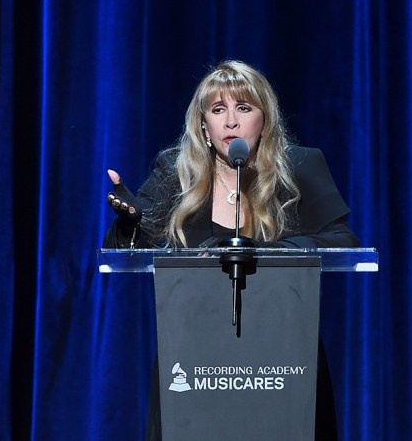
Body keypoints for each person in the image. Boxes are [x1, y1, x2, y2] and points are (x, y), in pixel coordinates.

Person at [103, 60, 360, 440]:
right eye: (218, 110)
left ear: (264, 119)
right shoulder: (176, 174)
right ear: (204, 124)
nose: (231, 122)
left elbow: (344, 243)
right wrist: (129, 224)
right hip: (195, 362)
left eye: (244, 108)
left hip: (283, 362)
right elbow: (128, 253)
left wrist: (269, 251)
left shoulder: (301, 166)